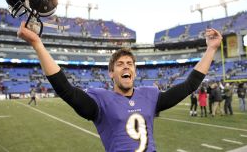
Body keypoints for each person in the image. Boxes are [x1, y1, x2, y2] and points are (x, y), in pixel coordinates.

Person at [17, 21, 222, 151]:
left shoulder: (150, 96)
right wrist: (37, 45)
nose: (126, 67)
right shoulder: (101, 102)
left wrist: (211, 49)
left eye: (130, 64)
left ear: (134, 71)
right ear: (111, 73)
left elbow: (189, 85)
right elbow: (65, 90)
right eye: (120, 64)